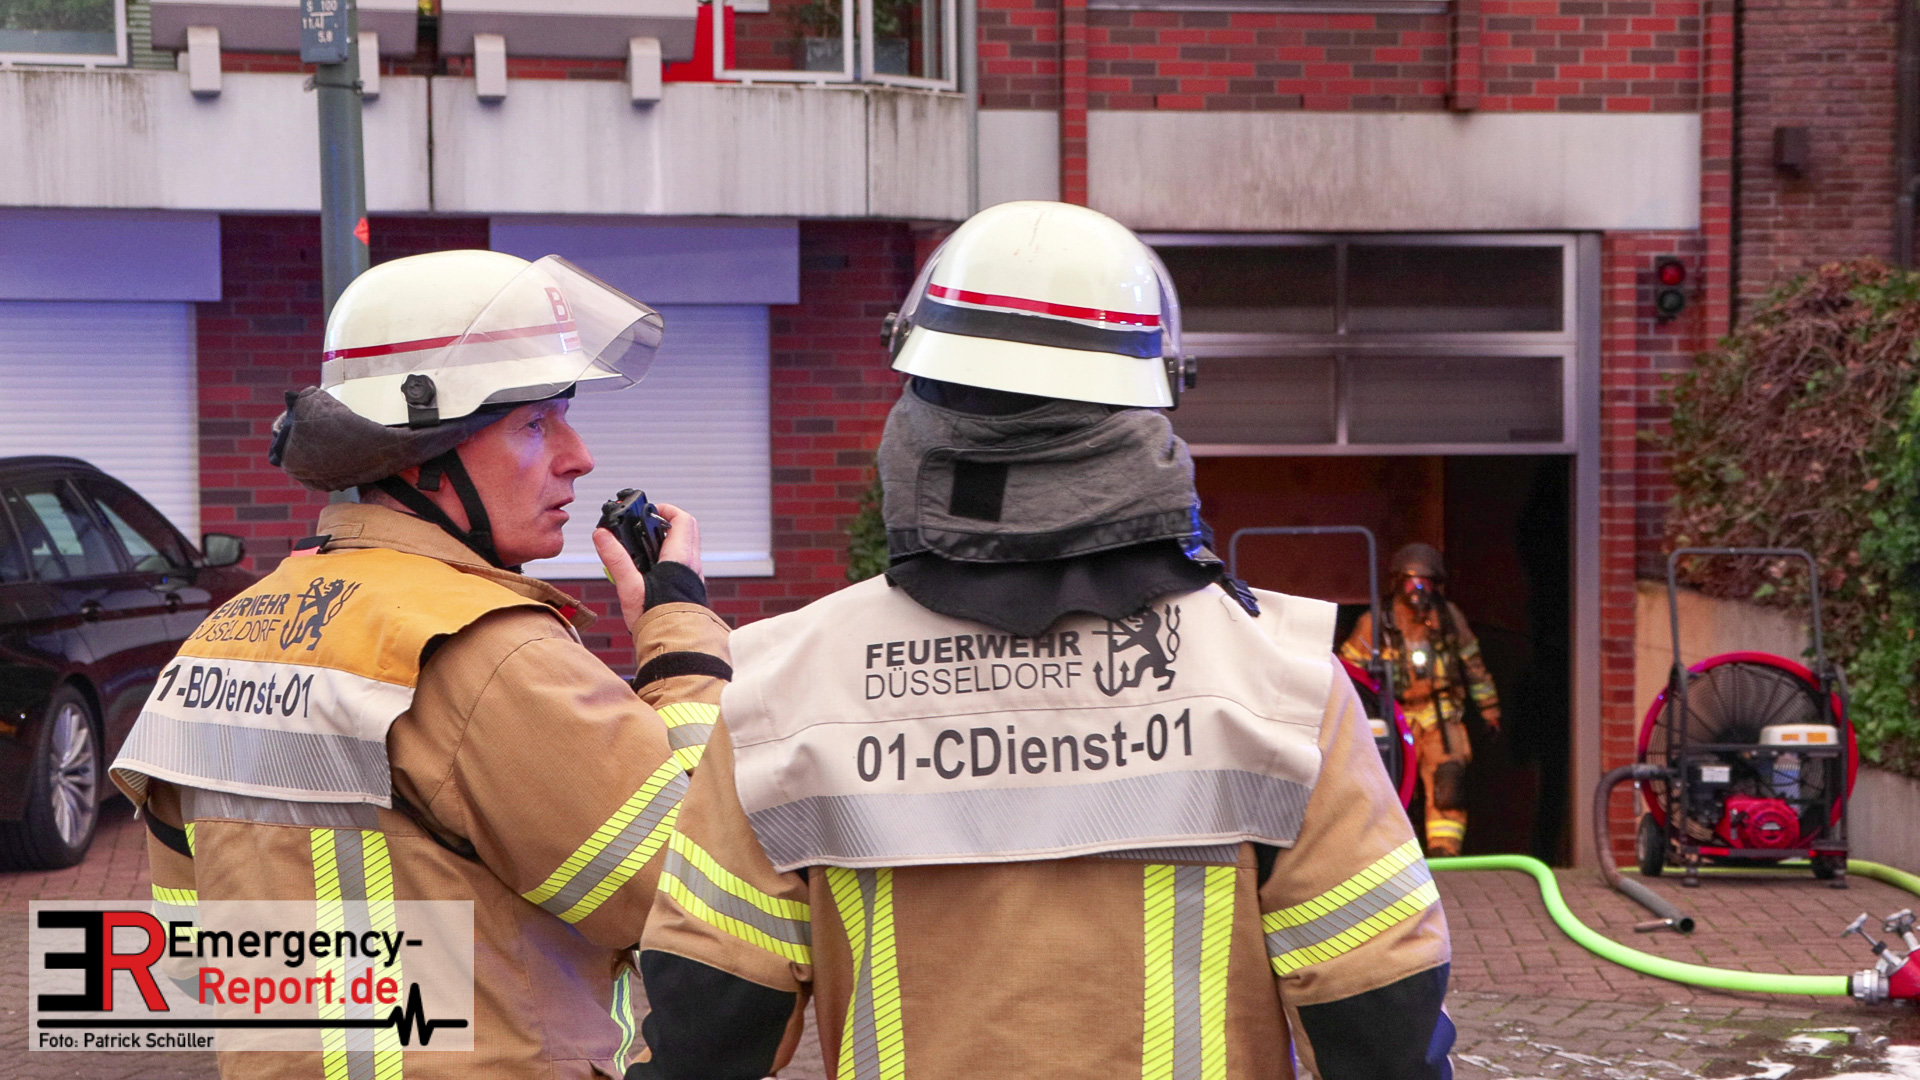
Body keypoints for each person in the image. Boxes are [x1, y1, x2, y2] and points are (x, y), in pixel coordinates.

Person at [628, 202, 1454, 1080]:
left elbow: (704, 1039)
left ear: (918, 391)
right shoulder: (1279, 681)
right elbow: (1382, 1028)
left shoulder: (787, 689)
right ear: (1151, 399)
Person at [109, 250, 733, 1078]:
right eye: (536, 423)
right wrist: (680, 640)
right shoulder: (491, 651)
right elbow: (702, 900)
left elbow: (198, 955)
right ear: (419, 455)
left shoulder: (218, 639)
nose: (578, 456)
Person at [1340, 543, 1501, 857]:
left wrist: (1490, 709)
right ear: (1397, 582)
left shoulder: (1448, 618)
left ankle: (1444, 853)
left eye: (1425, 582)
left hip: (1440, 716)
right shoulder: (1375, 622)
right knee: (1386, 785)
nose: (1417, 590)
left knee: (1448, 784)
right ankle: (1391, 854)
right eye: (1411, 581)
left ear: (1436, 584)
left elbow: (1474, 666)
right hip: (1393, 716)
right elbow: (1348, 673)